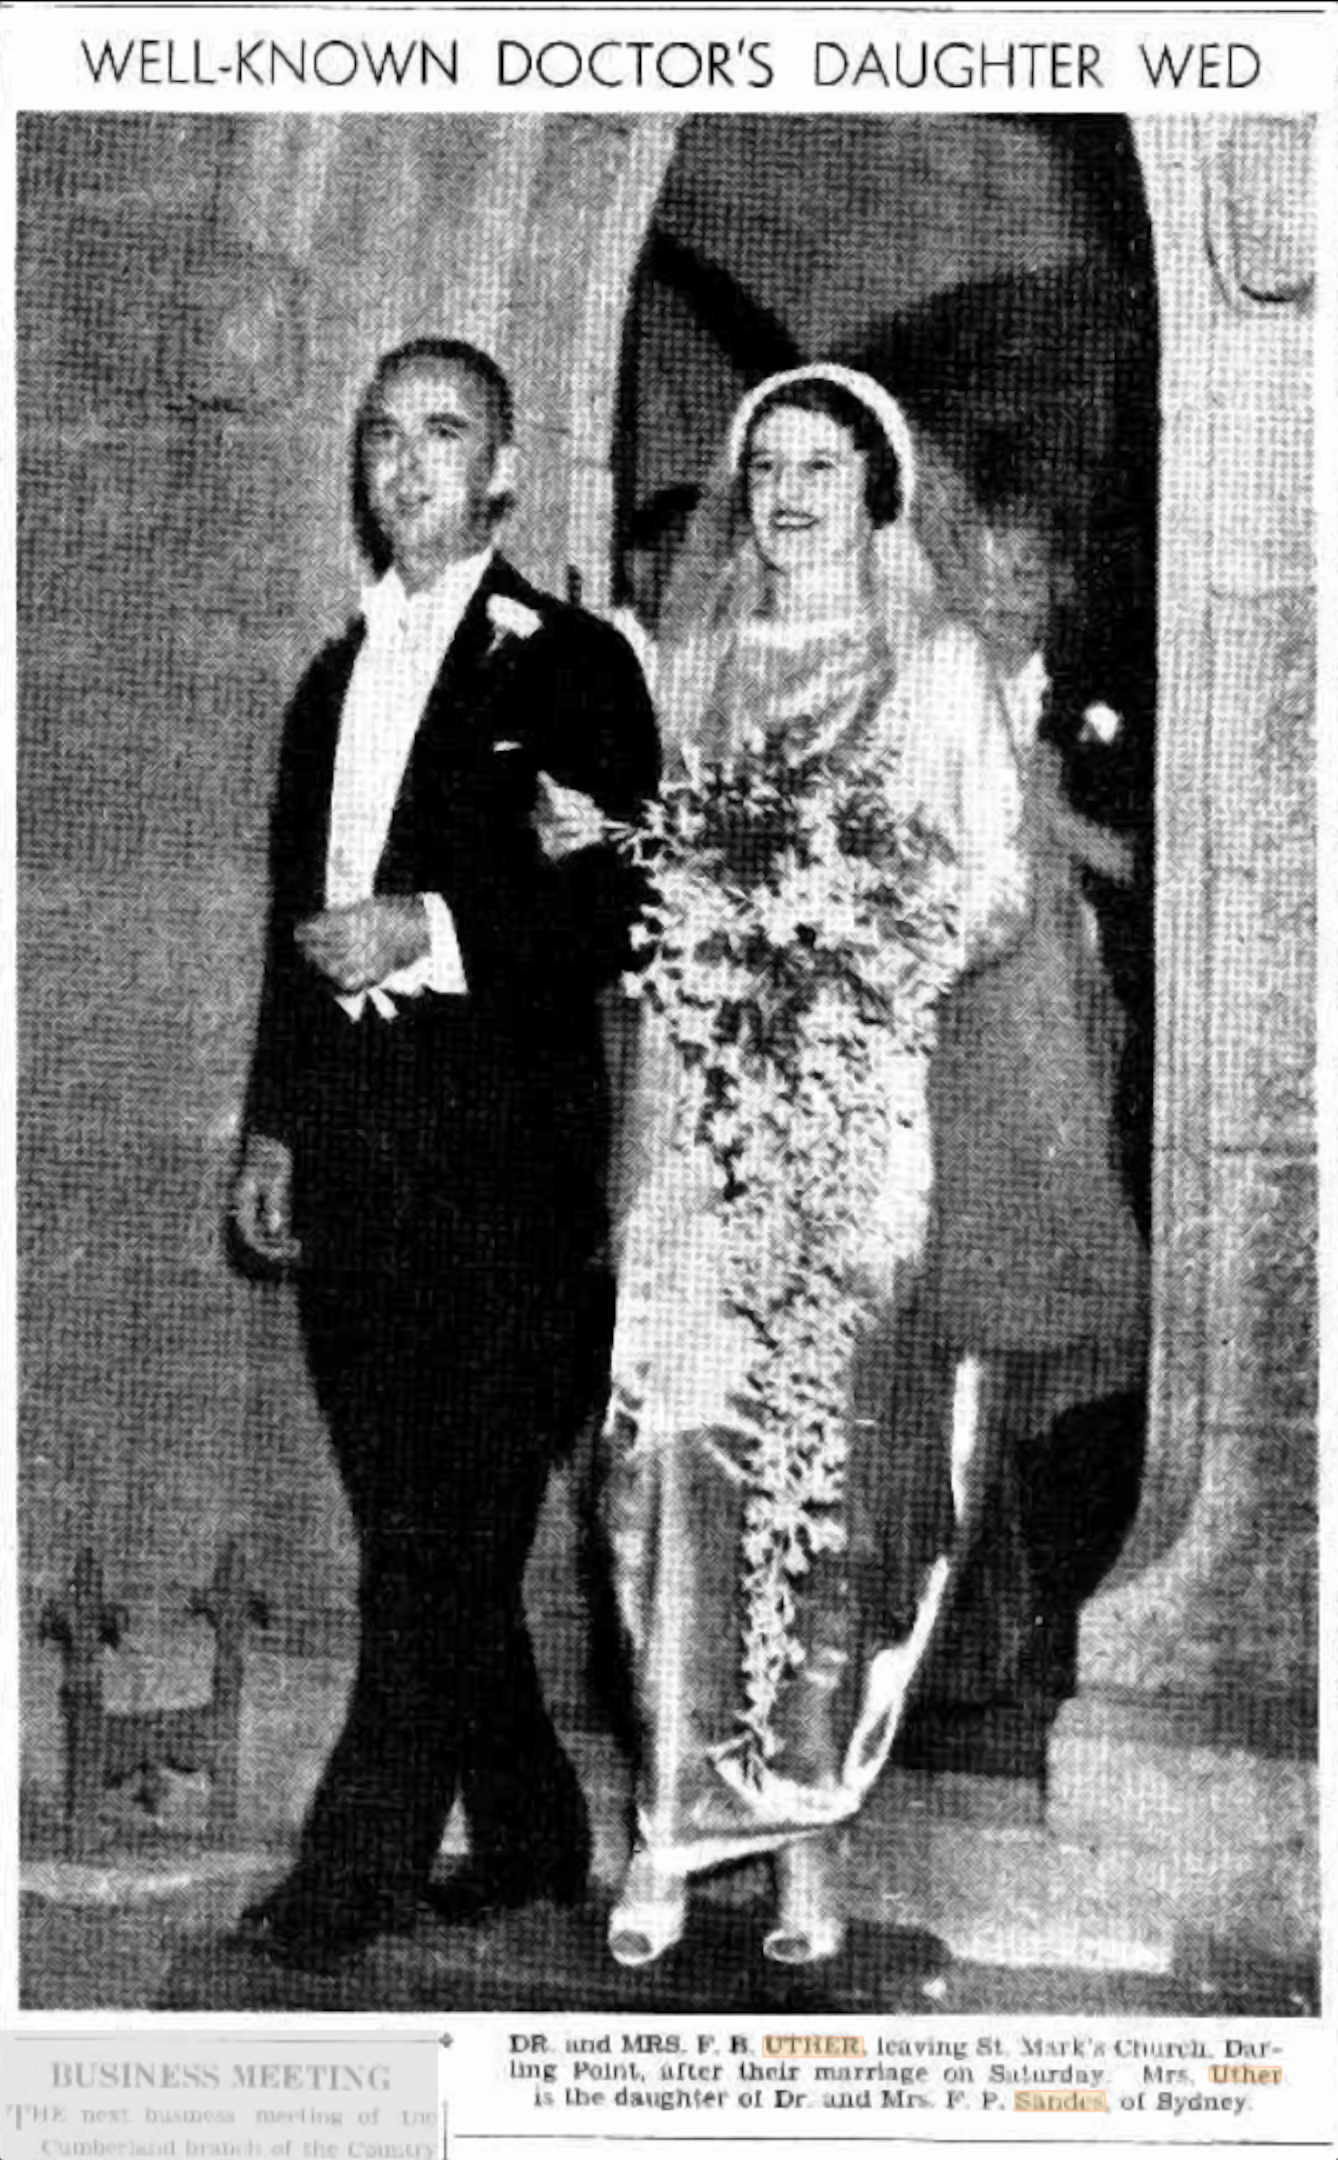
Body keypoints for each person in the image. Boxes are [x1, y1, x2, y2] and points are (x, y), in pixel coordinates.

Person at [229, 336, 659, 1971]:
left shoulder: (570, 662)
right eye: (381, 437)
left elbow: (621, 903)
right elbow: (293, 939)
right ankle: (539, 1827)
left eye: (442, 433)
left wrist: (435, 927)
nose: (406, 464)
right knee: (431, 1535)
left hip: (510, 1185)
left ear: (500, 472)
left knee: (431, 1545)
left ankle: (353, 1871)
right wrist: (272, 1125)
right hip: (348, 1168)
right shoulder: (332, 680)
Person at [598, 364, 1033, 1968]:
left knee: (823, 1481)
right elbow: (660, 866)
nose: (784, 497)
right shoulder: (696, 656)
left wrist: (863, 940)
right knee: (666, 1466)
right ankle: (664, 1823)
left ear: (875, 491)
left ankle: (801, 1845)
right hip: (704, 1113)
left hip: (857, 1117)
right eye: (762, 465)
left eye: (818, 468)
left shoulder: (930, 665)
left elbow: (987, 885)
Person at [896, 483, 1150, 1712]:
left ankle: (1025, 1607)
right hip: (953, 1044)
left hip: (1063, 1050)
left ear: (1055, 586)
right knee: (940, 1334)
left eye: (1020, 572)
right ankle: (944, 1613)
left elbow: (1160, 864)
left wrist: (1053, 822)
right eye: (976, 570)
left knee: (1038, 1332)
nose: (995, 592)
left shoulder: (1101, 716)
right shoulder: (927, 689)